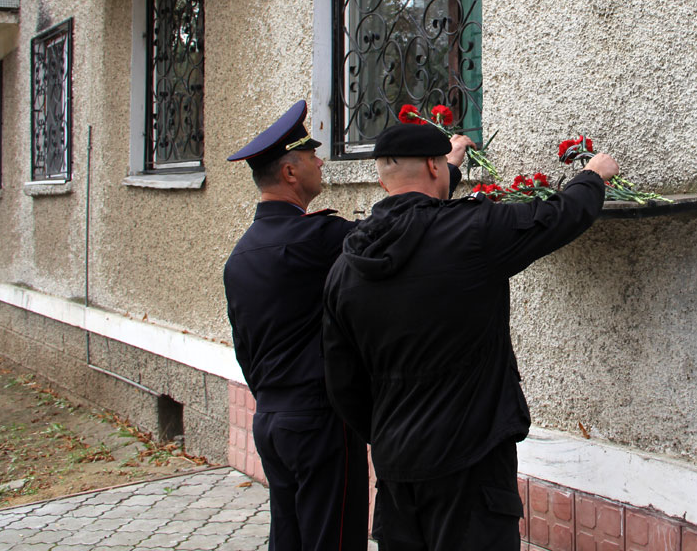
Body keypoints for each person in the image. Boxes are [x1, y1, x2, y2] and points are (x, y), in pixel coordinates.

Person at [322, 122, 618, 551]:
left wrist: (391, 430)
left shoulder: (346, 265)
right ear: (431, 164)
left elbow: (342, 384)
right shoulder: (474, 233)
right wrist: (592, 176)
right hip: (470, 463)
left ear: (383, 177)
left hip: (397, 466)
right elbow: (555, 217)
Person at [222, 100, 369, 551]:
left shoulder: (240, 256)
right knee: (333, 540)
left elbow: (245, 348)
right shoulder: (314, 238)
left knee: (288, 537)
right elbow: (394, 232)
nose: (321, 162)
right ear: (290, 173)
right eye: (311, 156)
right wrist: (448, 172)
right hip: (319, 423)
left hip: (270, 420)